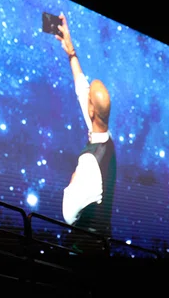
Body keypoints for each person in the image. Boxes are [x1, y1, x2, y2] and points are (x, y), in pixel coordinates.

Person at [56, 13, 116, 240]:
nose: (86, 90)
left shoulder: (90, 162)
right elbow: (83, 92)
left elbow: (68, 215)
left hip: (85, 254)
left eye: (90, 96)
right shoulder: (105, 137)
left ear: (92, 111)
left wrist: (72, 182)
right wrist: (71, 53)